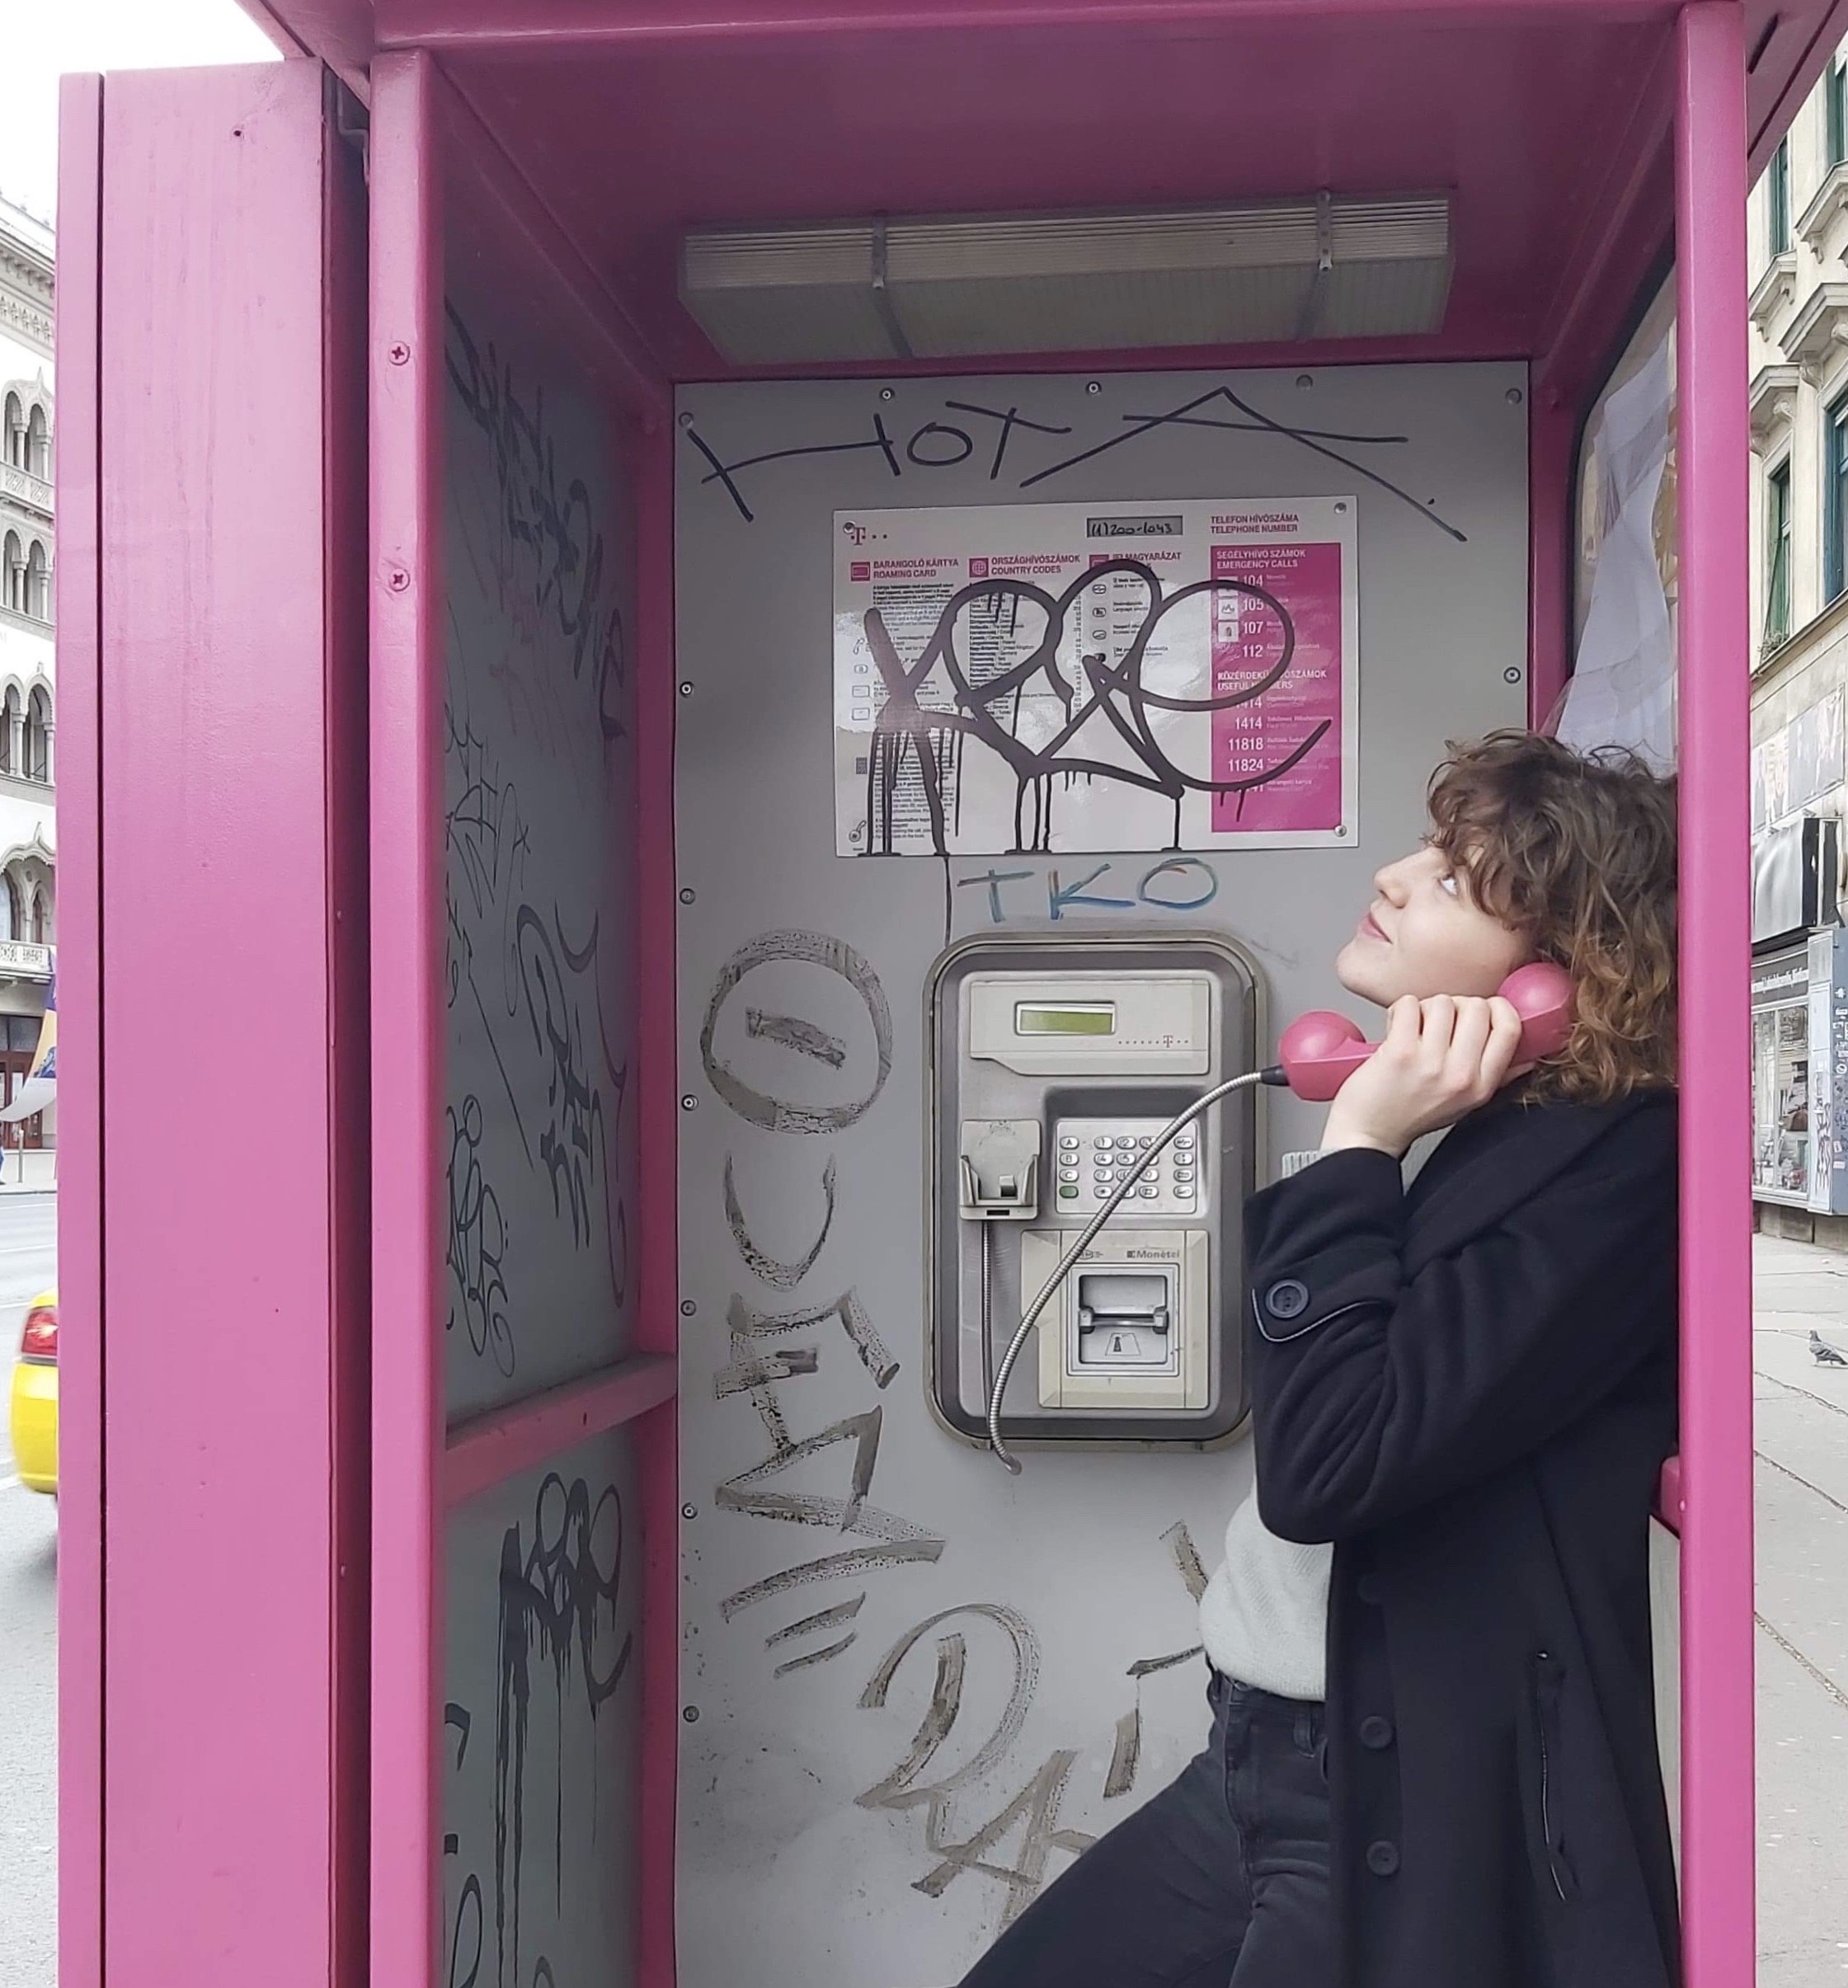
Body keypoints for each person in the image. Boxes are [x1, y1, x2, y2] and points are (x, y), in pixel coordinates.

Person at [961, 731, 1681, 1988]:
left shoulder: (1606, 1176)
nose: (1395, 877)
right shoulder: (1492, 1136)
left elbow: (1329, 1462)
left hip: (1379, 1804)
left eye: (1452, 879)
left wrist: (1355, 1147)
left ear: (1560, 973)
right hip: (1253, 1762)